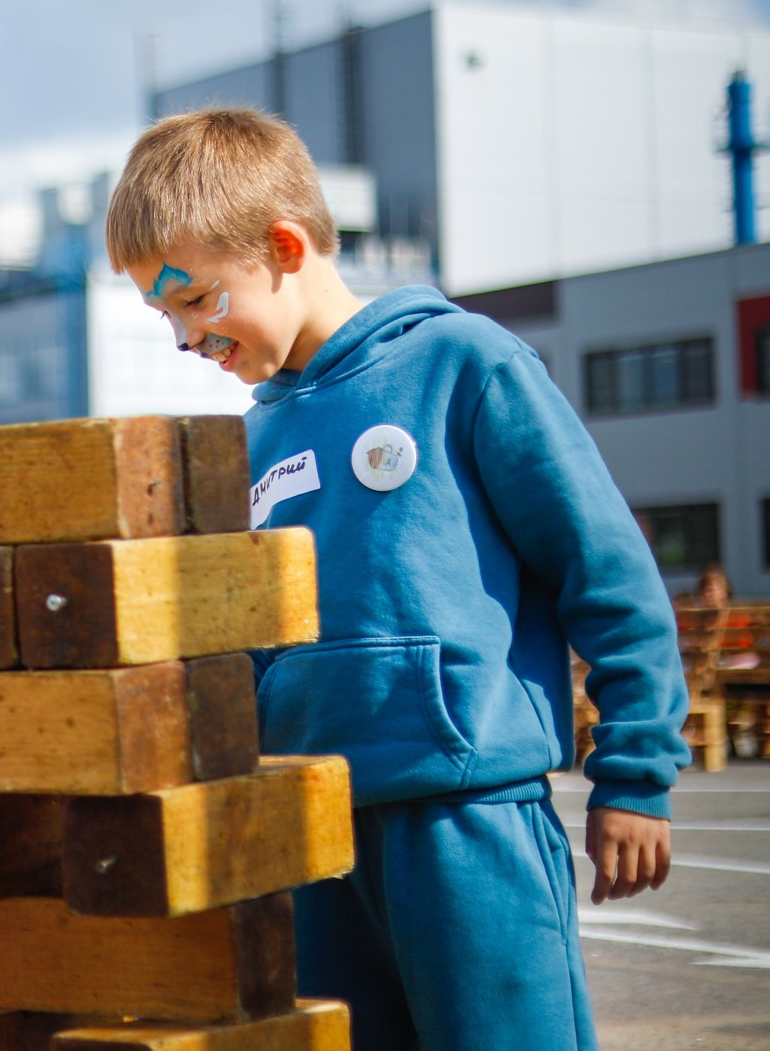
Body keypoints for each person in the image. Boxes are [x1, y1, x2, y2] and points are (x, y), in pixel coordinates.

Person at [103, 108, 690, 1051]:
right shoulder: (247, 443)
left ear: (284, 246)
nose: (183, 337)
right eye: (163, 315)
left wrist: (635, 775)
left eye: (196, 299)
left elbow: (606, 572)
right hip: (312, 837)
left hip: (467, 820)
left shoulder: (466, 364)